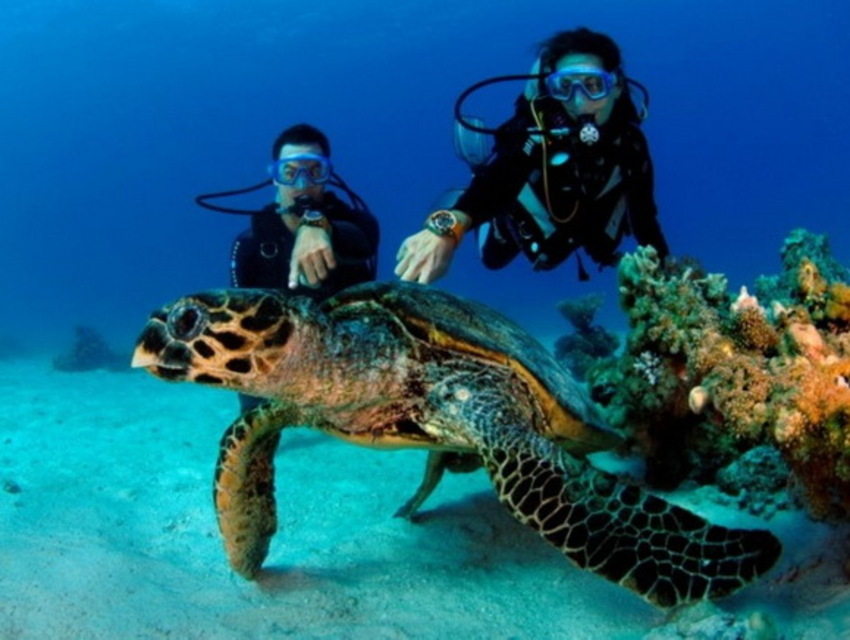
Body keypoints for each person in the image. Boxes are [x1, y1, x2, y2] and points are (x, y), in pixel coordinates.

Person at [395, 27, 669, 284]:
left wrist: (667, 274)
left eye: (593, 85)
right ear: (551, 90)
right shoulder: (535, 134)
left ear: (617, 85)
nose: (579, 101)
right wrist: (448, 229)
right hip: (526, 222)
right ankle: (471, 185)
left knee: (589, 248)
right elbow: (497, 183)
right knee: (493, 259)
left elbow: (644, 217)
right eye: (565, 87)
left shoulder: (631, 145)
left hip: (580, 228)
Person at [196, 123, 379, 410]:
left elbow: (363, 242)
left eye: (315, 171)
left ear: (328, 176)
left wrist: (319, 225)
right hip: (279, 357)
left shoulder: (358, 223)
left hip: (350, 357)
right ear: (274, 178)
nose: (303, 184)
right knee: (255, 413)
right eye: (290, 173)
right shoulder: (250, 245)